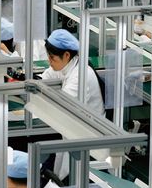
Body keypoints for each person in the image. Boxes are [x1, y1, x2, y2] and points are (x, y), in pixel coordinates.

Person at [41, 29, 105, 178]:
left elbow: (63, 104)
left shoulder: (81, 75)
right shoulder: (66, 65)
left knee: (63, 176)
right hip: (72, 131)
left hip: (88, 140)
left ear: (67, 55)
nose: (50, 62)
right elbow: (45, 78)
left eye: (52, 58)